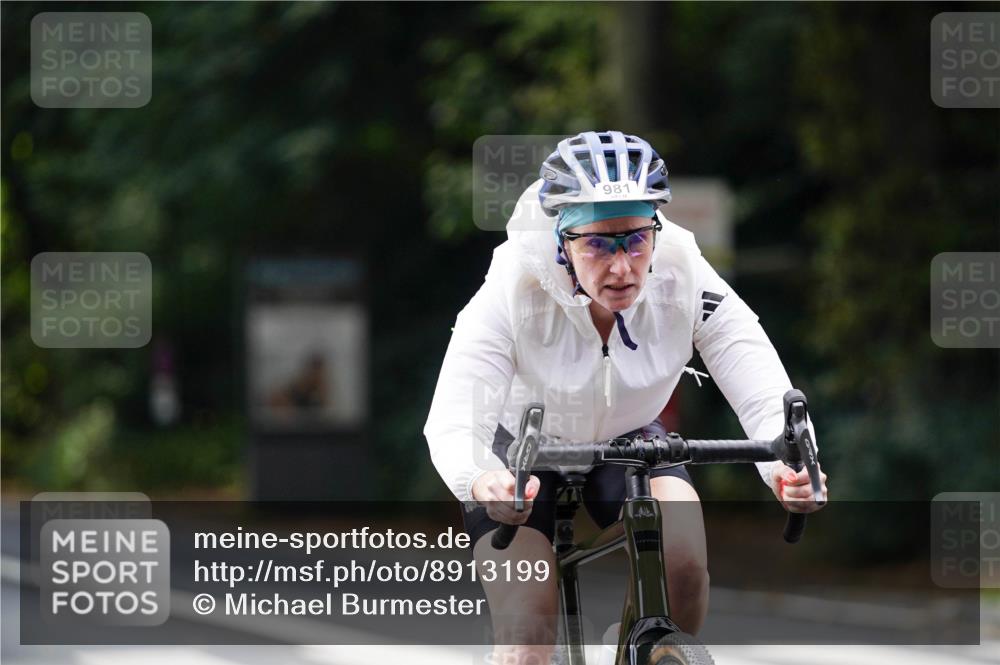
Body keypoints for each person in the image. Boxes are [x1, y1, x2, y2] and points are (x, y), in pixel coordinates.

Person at [424, 130, 828, 664]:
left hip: (629, 435)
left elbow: (756, 378)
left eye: (636, 240)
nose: (622, 267)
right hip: (518, 453)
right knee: (528, 633)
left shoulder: (682, 272)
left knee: (682, 567)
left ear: (655, 230)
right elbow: (452, 418)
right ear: (561, 242)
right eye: (597, 243)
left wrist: (789, 468)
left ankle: (638, 648)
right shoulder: (511, 289)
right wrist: (478, 478)